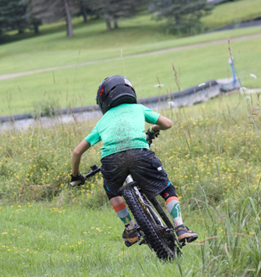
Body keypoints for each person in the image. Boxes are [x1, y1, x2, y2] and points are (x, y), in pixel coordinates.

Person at [70, 75, 198, 247]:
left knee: (113, 192)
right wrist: (153, 128)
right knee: (166, 187)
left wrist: (75, 176)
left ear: (103, 101)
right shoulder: (138, 109)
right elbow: (167, 123)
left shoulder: (102, 122)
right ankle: (180, 228)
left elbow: (77, 152)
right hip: (140, 153)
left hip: (111, 160)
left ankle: (130, 228)